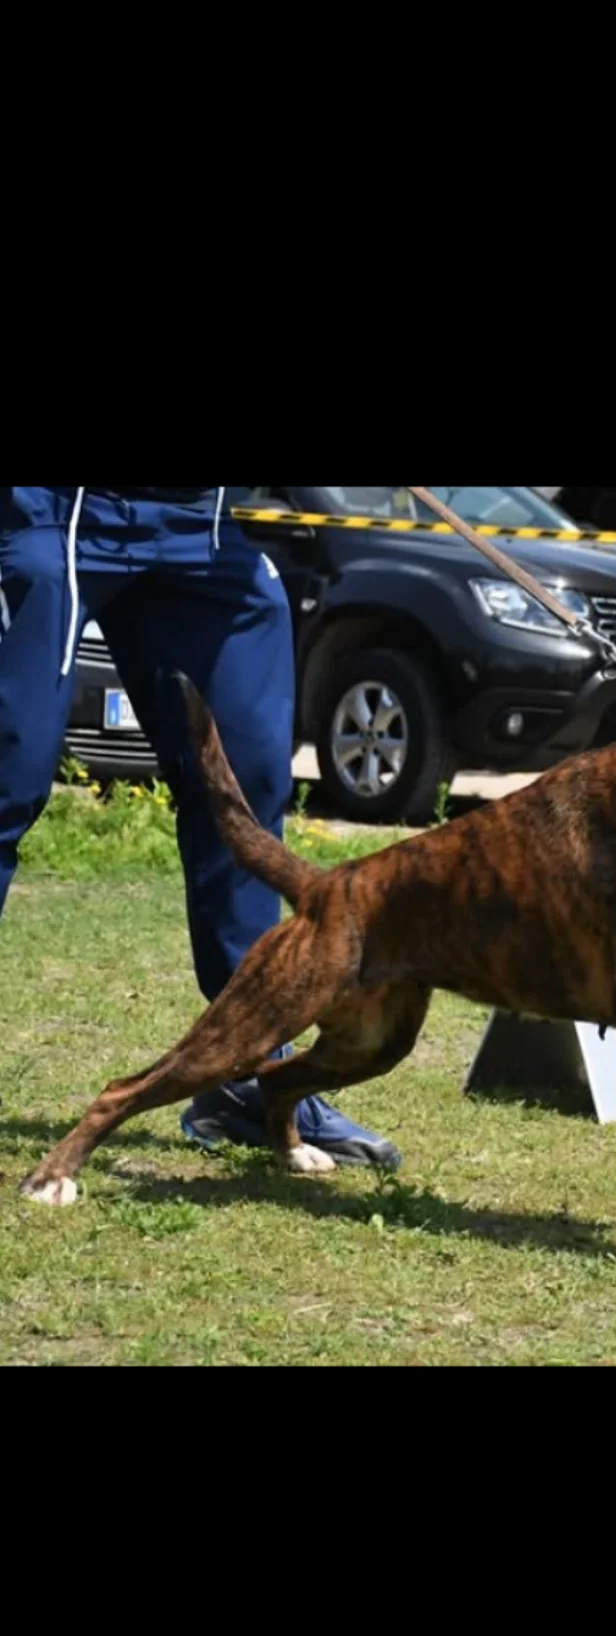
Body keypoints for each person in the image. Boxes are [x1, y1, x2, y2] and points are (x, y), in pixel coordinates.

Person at [0, 485, 401, 1169]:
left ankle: (247, 1074)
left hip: (201, 524)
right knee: (12, 769)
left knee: (244, 780)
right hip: (62, 512)